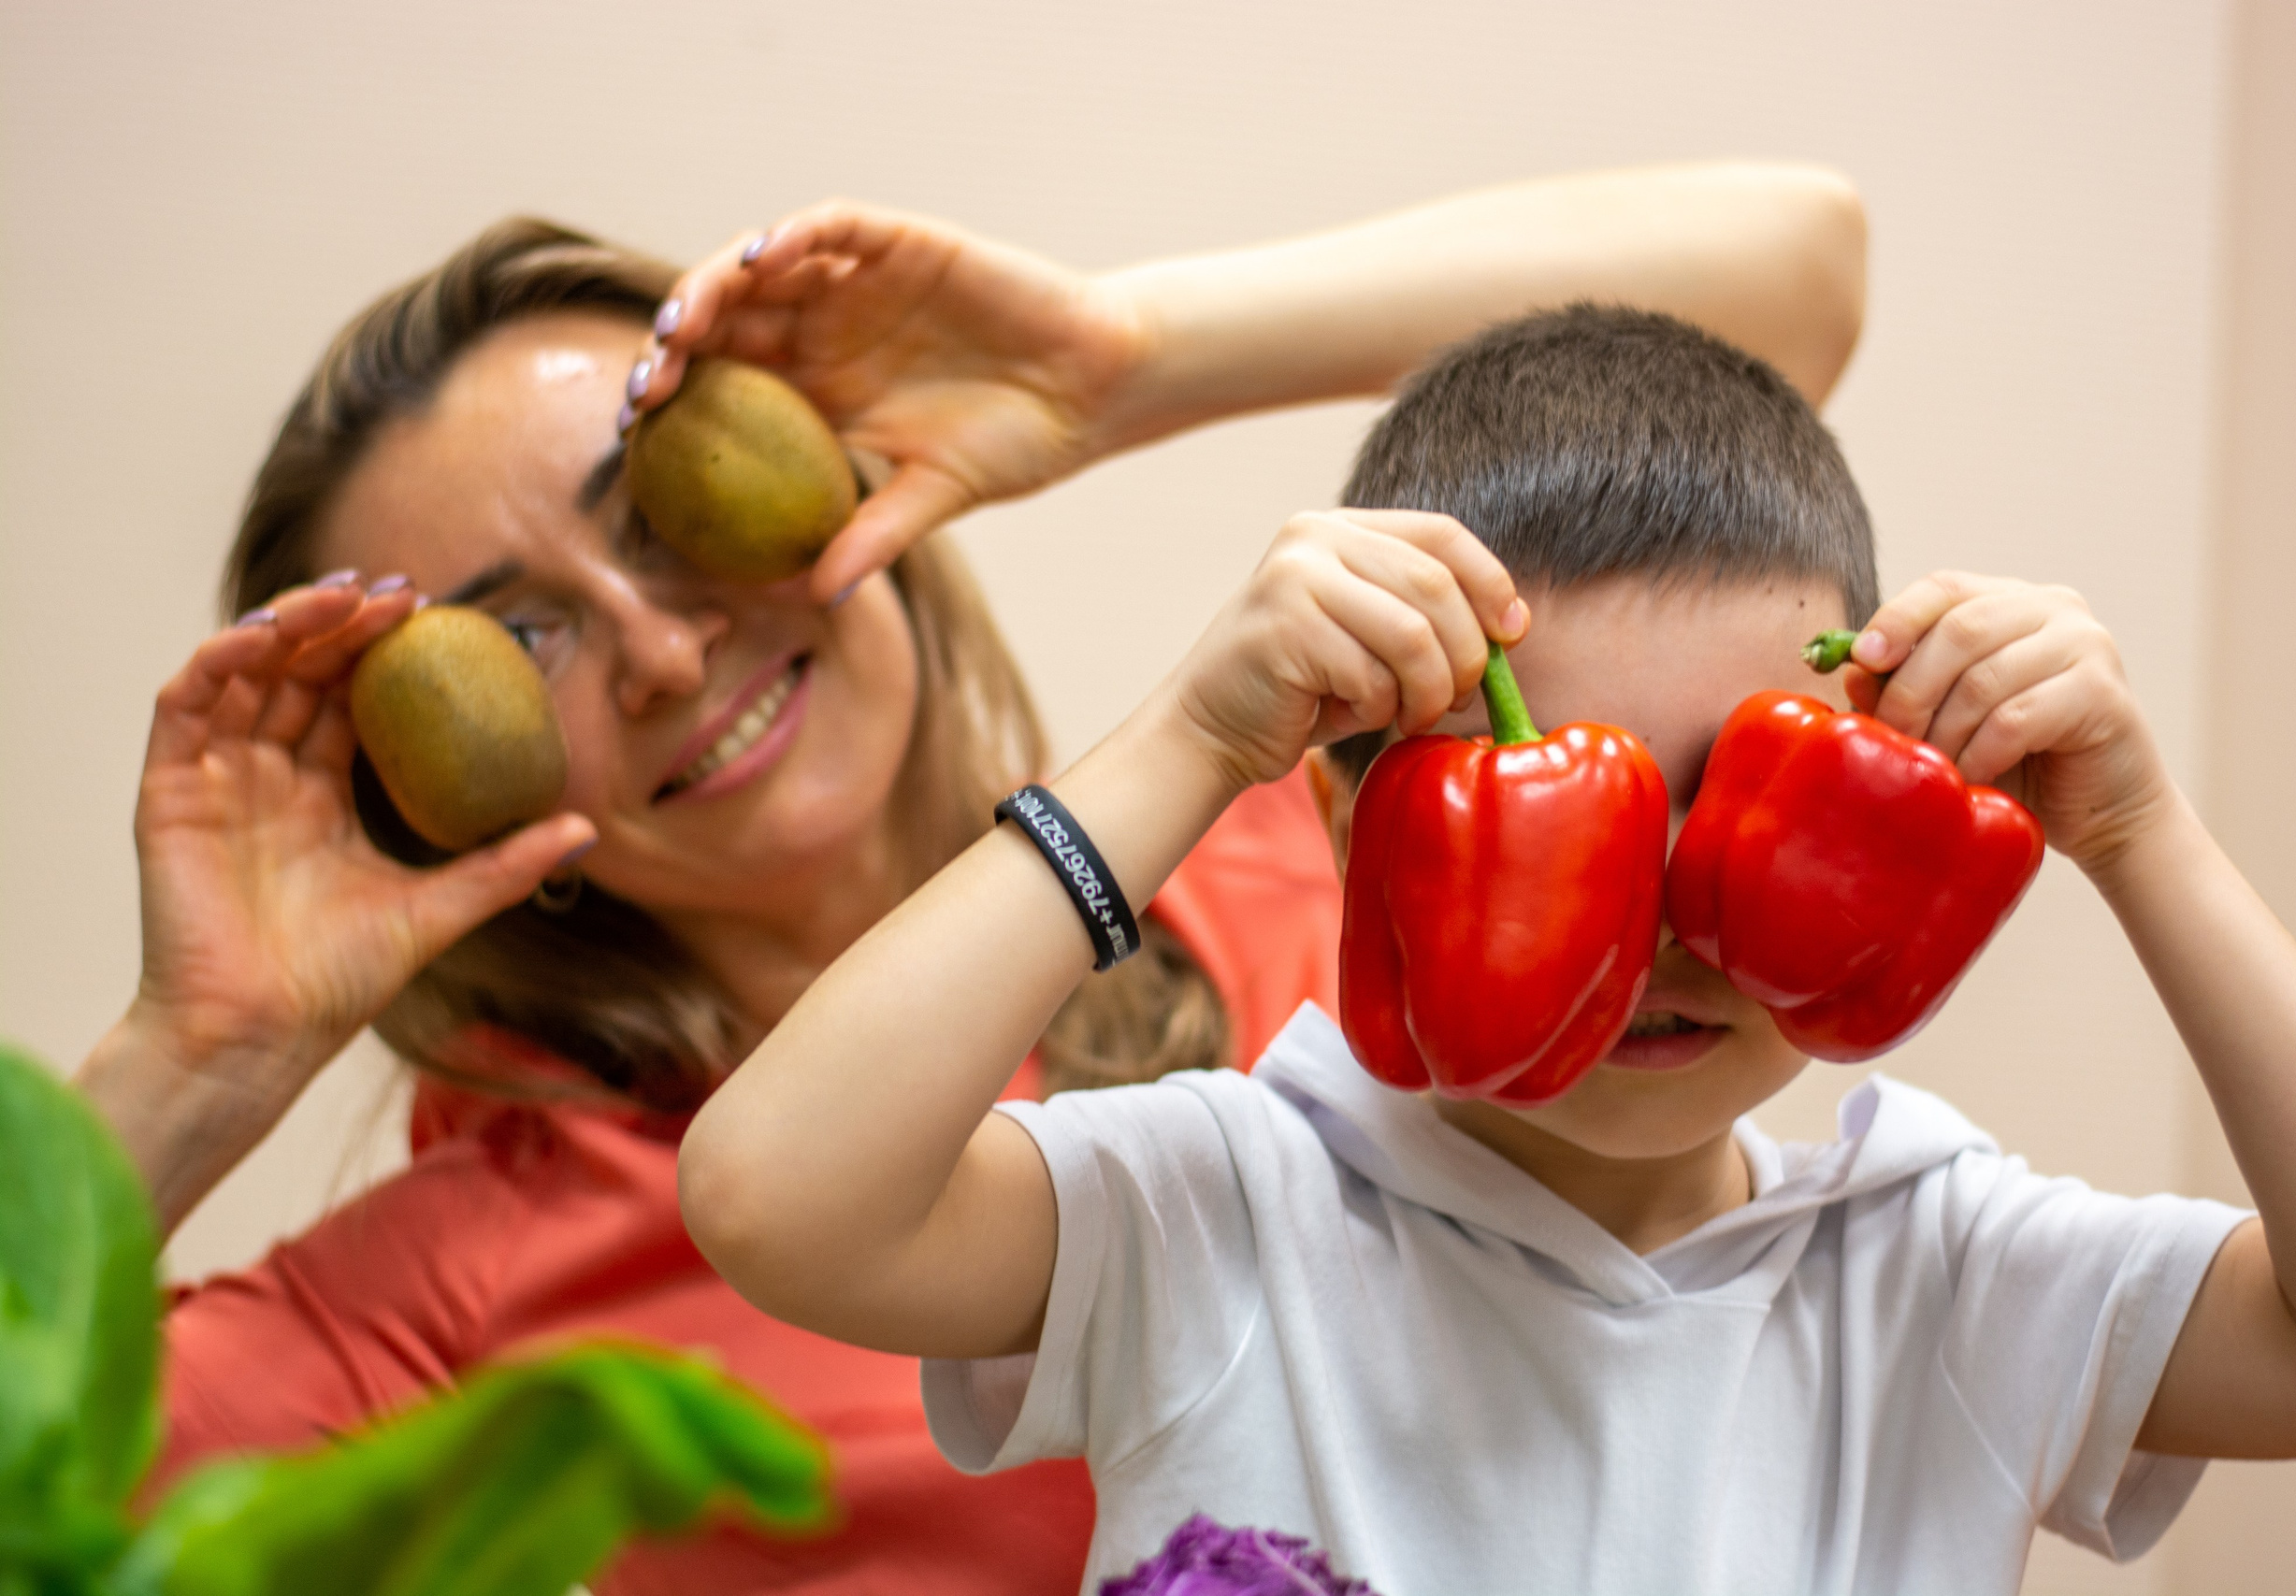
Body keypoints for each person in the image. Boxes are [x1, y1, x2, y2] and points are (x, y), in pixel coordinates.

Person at [72, 168, 1868, 1595]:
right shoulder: (463, 1279)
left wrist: (1119, 357)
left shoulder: (1338, 855)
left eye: (667, 510)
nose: (666, 653)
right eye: (513, 643)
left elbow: (1790, 277)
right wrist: (200, 1050)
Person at [679, 304, 2296, 1596]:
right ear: (1357, 836)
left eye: (1744, 797)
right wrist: (1191, 741)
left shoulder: (1940, 1272)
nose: (1661, 928)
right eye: (1561, 811)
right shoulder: (1214, 1215)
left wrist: (2140, 836)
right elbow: (777, 1198)